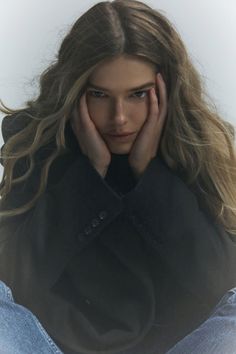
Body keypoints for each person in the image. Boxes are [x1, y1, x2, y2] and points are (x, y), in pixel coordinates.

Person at [0, 0, 236, 353]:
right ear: (76, 91)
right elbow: (14, 279)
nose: (119, 118)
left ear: (167, 91)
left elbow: (221, 283)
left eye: (138, 94)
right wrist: (90, 174)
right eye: (99, 95)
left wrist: (148, 176)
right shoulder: (36, 145)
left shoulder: (197, 148)